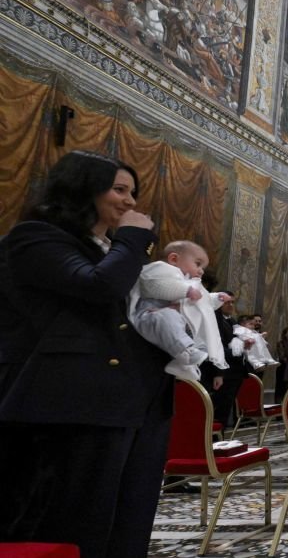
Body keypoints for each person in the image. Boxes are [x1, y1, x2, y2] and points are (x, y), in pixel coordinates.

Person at [0, 151, 172, 558]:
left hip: (130, 404)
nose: (130, 202)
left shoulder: (108, 248)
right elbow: (97, 287)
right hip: (73, 405)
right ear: (83, 188)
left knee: (125, 519)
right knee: (77, 522)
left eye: (134, 192)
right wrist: (131, 241)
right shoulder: (35, 237)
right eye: (119, 190)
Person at [129, 240, 228, 380]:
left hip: (167, 325)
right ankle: (185, 353)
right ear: (174, 259)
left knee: (191, 323)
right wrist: (185, 290)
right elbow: (155, 285)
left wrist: (216, 298)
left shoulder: (188, 282)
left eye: (203, 267)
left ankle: (182, 364)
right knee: (167, 316)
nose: (201, 271)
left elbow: (201, 302)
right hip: (148, 317)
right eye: (198, 264)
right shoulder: (160, 269)